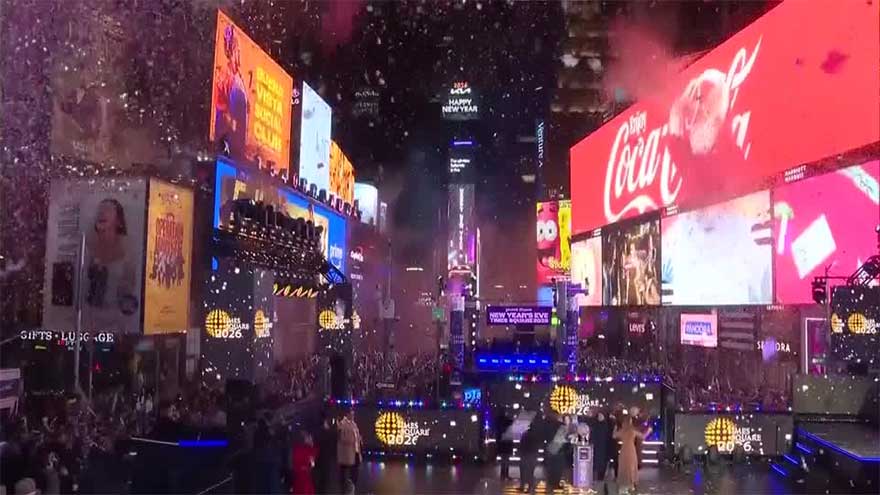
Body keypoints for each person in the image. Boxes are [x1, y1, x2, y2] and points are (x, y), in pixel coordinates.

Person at [85, 198, 138, 333]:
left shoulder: (128, 249)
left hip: (117, 322)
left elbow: (130, 291)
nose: (102, 212)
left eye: (107, 209)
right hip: (90, 320)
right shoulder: (87, 246)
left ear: (118, 221)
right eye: (100, 209)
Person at [613, 415, 652, 493]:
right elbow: (643, 436)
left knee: (624, 466)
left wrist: (615, 428)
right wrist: (649, 431)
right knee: (631, 466)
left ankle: (624, 484)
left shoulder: (622, 430)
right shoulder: (632, 430)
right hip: (631, 449)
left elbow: (614, 435)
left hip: (624, 449)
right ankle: (631, 484)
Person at [337, 410, 361, 494]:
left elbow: (356, 435)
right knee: (345, 472)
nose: (353, 416)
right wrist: (353, 439)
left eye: (353, 414)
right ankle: (345, 490)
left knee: (355, 472)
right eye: (351, 414)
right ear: (347, 414)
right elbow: (342, 438)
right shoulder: (343, 424)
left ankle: (352, 488)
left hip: (355, 451)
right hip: (347, 453)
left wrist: (359, 439)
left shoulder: (354, 424)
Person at [313, 414, 337, 495]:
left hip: (318, 457)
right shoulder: (328, 433)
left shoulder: (316, 432)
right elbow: (334, 439)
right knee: (324, 478)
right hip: (325, 457)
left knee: (318, 476)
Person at [518, 421, 539, 494]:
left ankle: (523, 486)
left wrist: (520, 452)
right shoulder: (536, 435)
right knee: (530, 472)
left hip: (525, 455)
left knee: (524, 471)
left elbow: (521, 445)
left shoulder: (525, 434)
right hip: (533, 455)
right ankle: (531, 487)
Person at [495, 411, 514, 480]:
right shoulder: (508, 428)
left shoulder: (499, 428)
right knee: (506, 460)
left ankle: (503, 474)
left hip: (503, 445)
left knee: (503, 460)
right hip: (507, 444)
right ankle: (505, 474)